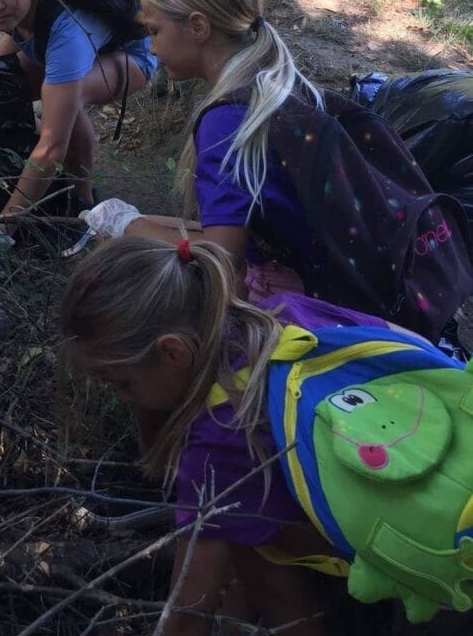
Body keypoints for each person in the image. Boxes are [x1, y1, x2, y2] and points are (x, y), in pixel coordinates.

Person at [79, 0, 472, 339]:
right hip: (373, 292)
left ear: (198, 26)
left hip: (332, 321)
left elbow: (220, 258)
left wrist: (127, 225)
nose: (151, 48)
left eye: (154, 31)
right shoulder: (284, 87)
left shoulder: (225, 122)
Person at [61, 233, 397, 636]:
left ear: (172, 352)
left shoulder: (219, 437)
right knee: (244, 521)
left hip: (429, 561)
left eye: (122, 384)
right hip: (432, 476)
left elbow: (187, 615)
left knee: (244, 532)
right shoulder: (285, 314)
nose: (124, 398)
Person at [0, 0, 156, 264]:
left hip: (132, 57)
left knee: (65, 106)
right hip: (74, 44)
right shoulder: (20, 7)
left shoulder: (67, 35)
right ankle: (40, 178)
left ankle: (81, 206)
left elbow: (51, 149)